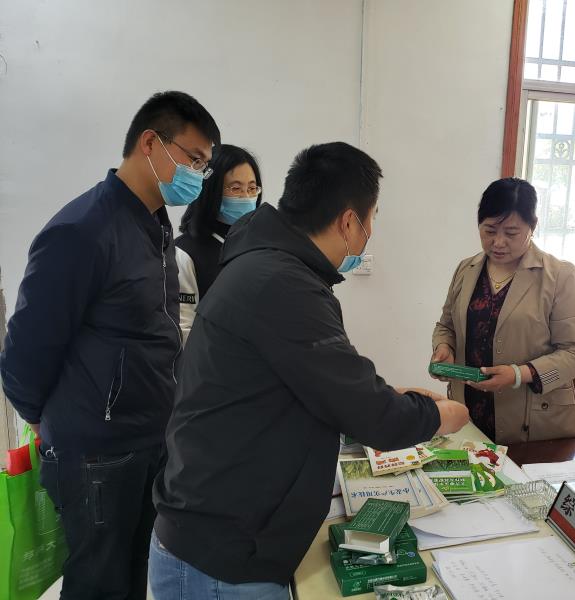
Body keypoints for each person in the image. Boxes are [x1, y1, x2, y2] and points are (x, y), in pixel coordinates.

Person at [149, 142, 469, 600]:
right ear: (349, 222)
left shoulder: (268, 266)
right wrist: (439, 417)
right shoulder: (283, 283)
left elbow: (320, 383)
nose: (370, 232)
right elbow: (370, 413)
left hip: (225, 536)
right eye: (372, 218)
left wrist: (386, 396)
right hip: (222, 559)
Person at [0, 91, 220, 600]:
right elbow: (25, 354)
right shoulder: (82, 230)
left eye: (204, 167)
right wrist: (49, 423)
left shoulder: (154, 226)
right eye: (193, 160)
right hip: (96, 456)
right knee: (99, 585)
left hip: (148, 442)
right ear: (151, 143)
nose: (198, 176)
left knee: (135, 576)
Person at [431, 177, 575, 445]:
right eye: (490, 231)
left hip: (534, 423)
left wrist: (518, 374)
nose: (498, 242)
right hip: (469, 413)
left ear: (533, 226)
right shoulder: (466, 270)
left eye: (511, 233)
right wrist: (443, 348)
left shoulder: (560, 276)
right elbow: (446, 326)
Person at [175, 144, 263, 341]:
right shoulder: (184, 253)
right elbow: (184, 329)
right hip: (211, 357)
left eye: (252, 188)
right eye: (236, 188)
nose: (246, 197)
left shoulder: (260, 245)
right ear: (211, 191)